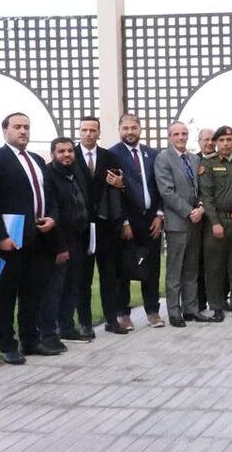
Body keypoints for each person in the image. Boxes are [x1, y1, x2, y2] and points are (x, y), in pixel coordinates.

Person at [0, 112, 62, 363]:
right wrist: (0, 236)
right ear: (5, 130)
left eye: (26, 127)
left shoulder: (37, 159)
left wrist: (52, 218)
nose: (23, 131)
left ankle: (30, 340)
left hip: (38, 238)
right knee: (7, 294)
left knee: (32, 292)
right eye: (17, 127)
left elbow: (49, 194)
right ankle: (7, 344)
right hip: (11, 239)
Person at [74, 116, 128, 337]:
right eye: (84, 130)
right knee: (83, 278)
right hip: (81, 226)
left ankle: (111, 320)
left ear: (99, 132)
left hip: (106, 226)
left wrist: (121, 184)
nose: (88, 134)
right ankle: (85, 323)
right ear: (79, 131)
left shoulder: (109, 157)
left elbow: (119, 189)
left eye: (93, 130)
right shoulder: (71, 155)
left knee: (109, 276)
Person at [155, 121, 213, 328]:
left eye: (184, 133)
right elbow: (167, 192)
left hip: (196, 222)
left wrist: (201, 208)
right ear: (170, 137)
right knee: (175, 270)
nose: (181, 137)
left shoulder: (194, 159)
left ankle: (191, 309)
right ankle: (174, 311)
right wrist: (189, 212)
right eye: (176, 134)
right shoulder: (163, 159)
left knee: (191, 269)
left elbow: (200, 188)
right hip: (177, 223)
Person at [110, 113, 164, 330]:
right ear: (119, 130)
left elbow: (159, 187)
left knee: (152, 267)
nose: (130, 132)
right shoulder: (112, 154)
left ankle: (152, 311)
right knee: (123, 268)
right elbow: (114, 192)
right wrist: (123, 221)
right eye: (125, 128)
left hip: (151, 220)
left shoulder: (153, 154)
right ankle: (123, 313)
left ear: (140, 129)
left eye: (133, 127)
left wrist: (159, 215)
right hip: (127, 221)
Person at [198, 125, 232, 321]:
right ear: (216, 143)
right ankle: (217, 307)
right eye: (221, 140)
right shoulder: (208, 164)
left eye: (229, 140)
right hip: (218, 221)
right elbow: (207, 197)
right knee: (215, 267)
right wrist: (214, 223)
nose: (226, 144)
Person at [39, 138, 87, 351]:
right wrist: (60, 246)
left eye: (70, 151)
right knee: (55, 288)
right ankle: (52, 331)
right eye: (61, 151)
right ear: (52, 154)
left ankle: (67, 326)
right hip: (58, 240)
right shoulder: (48, 175)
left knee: (73, 284)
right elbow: (52, 211)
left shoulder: (75, 173)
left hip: (78, 237)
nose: (66, 155)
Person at [196, 127, 216, 313]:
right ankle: (200, 299)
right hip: (197, 219)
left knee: (219, 262)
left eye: (212, 139)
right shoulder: (193, 161)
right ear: (199, 141)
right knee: (199, 261)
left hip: (217, 219)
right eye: (205, 139)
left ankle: (220, 298)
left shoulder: (222, 160)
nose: (209, 143)